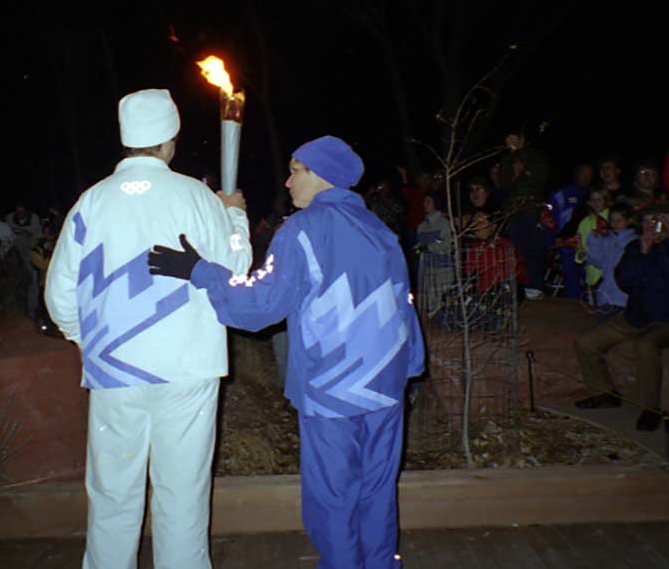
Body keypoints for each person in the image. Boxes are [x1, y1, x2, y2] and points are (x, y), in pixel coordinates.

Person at [149, 135, 424, 569]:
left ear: (320, 176)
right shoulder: (381, 231)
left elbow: (259, 306)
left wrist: (199, 270)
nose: (288, 180)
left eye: (296, 170)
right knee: (375, 490)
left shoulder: (301, 231)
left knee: (333, 498)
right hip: (386, 386)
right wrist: (408, 368)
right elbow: (403, 304)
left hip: (334, 389)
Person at [44, 89, 251, 569]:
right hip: (187, 365)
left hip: (114, 371)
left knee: (114, 496)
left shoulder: (90, 203)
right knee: (182, 495)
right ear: (170, 140)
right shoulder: (198, 198)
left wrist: (88, 340)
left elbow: (59, 295)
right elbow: (235, 269)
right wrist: (234, 213)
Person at [574, 206, 669, 431]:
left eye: (658, 220)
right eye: (648, 221)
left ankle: (651, 408)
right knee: (586, 342)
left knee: (646, 345)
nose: (653, 226)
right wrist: (644, 251)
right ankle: (604, 393)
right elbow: (625, 281)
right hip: (637, 317)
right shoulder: (635, 248)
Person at [497, 126, 551, 298]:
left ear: (522, 138)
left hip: (530, 206)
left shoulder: (535, 155)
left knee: (532, 245)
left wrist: (525, 170)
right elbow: (503, 184)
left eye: (515, 138)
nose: (512, 142)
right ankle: (516, 284)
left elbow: (541, 178)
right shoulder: (506, 160)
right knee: (513, 247)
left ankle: (535, 284)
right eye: (508, 139)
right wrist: (514, 173)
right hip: (512, 209)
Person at [583, 203, 638, 323]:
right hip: (606, 292)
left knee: (620, 325)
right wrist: (595, 241)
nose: (615, 224)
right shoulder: (607, 238)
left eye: (619, 220)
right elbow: (597, 262)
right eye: (612, 220)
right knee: (603, 325)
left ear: (629, 220)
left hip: (623, 294)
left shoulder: (634, 241)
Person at [549, 164, 595, 299]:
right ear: (576, 173)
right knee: (571, 273)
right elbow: (550, 219)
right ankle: (573, 304)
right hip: (567, 243)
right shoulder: (562, 193)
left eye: (589, 174)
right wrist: (553, 241)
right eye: (583, 173)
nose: (586, 177)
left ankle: (589, 303)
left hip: (590, 244)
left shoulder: (593, 194)